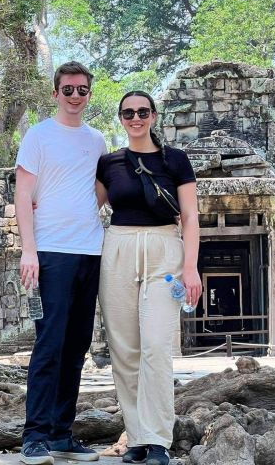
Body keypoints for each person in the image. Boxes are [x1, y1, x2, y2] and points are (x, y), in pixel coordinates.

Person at [95, 91, 202, 465]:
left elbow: (190, 216)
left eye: (142, 111)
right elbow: (87, 208)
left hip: (164, 250)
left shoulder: (176, 160)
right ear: (121, 118)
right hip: (119, 249)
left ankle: (158, 439)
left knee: (156, 347)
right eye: (128, 113)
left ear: (154, 116)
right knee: (125, 351)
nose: (135, 118)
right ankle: (137, 436)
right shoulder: (109, 163)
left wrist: (191, 267)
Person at [16, 61, 108, 464]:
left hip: (91, 250)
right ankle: (33, 436)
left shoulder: (98, 140)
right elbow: (23, 195)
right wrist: (29, 249)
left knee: (77, 346)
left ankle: (61, 433)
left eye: (82, 90)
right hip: (51, 252)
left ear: (89, 94)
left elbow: (100, 191)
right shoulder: (38, 136)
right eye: (68, 89)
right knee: (49, 344)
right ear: (56, 93)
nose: (75, 96)